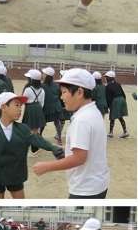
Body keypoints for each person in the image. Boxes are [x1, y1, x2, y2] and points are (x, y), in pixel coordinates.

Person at [0, 92, 64, 198]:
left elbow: (38, 140)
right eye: (16, 105)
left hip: (16, 174)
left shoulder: (23, 129)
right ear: (4, 107)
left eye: (20, 106)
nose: (20, 109)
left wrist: (53, 148)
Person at [33, 69, 110, 199]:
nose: (61, 97)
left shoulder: (82, 120)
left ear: (79, 92)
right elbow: (87, 148)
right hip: (98, 182)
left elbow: (79, 158)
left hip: (85, 188)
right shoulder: (94, 111)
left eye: (64, 92)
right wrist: (67, 150)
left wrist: (46, 166)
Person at [104, 70, 129, 138]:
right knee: (120, 116)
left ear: (110, 78)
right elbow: (123, 94)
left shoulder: (108, 86)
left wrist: (109, 106)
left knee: (112, 116)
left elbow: (108, 97)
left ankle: (111, 133)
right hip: (122, 99)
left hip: (115, 101)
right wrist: (123, 101)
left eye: (106, 77)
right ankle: (125, 131)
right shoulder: (118, 84)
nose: (105, 78)